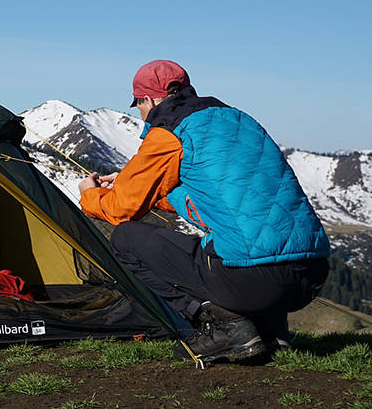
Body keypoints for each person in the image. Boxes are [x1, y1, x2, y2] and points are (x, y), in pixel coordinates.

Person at [77, 60, 329, 365]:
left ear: (151, 100)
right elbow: (212, 201)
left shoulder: (169, 130)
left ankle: (227, 329)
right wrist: (150, 188)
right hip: (311, 278)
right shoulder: (238, 119)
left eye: (138, 106)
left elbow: (121, 209)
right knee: (246, 233)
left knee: (126, 238)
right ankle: (271, 329)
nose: (141, 115)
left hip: (255, 282)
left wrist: (89, 194)